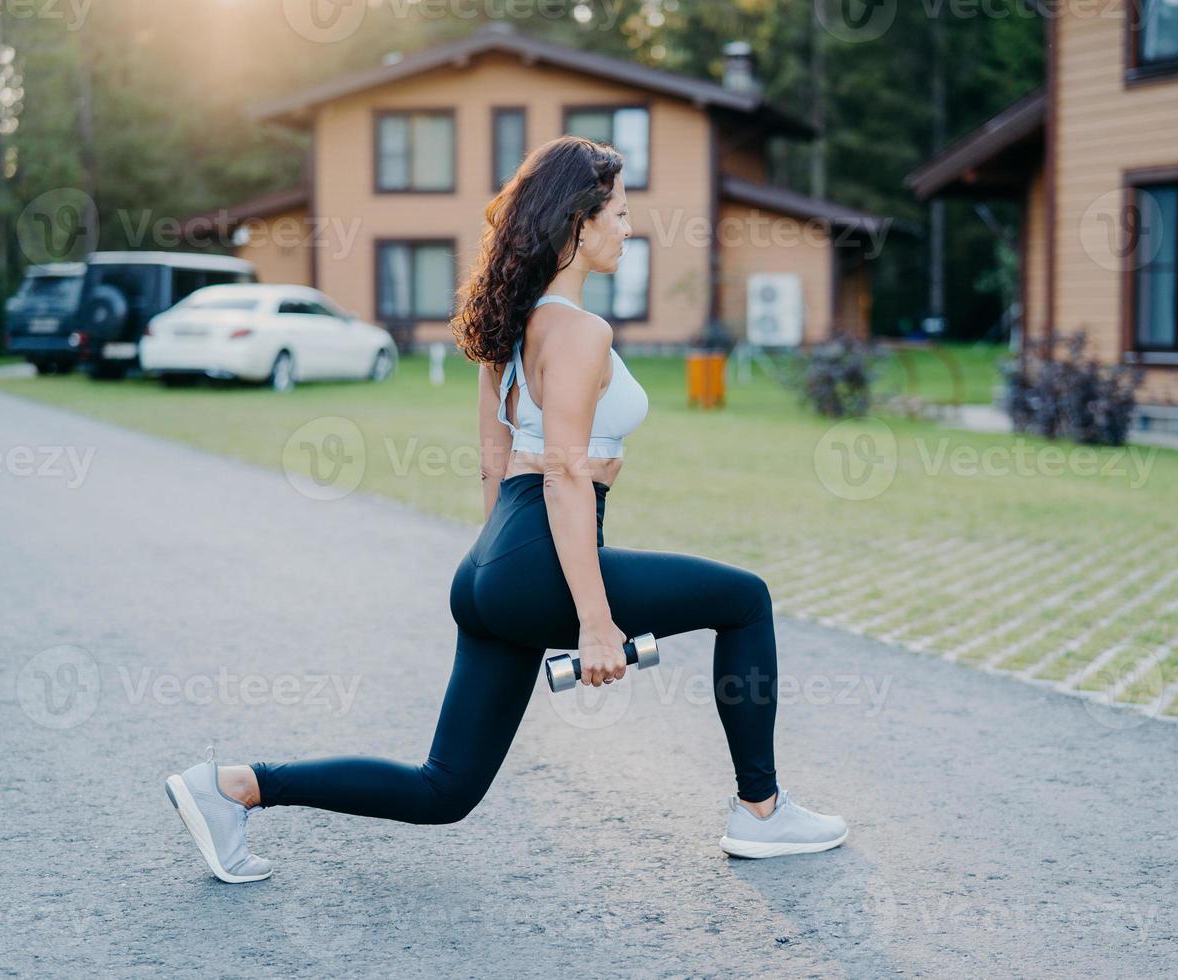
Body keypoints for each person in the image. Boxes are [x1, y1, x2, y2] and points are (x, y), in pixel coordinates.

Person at [164, 135, 848, 883]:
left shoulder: (508, 325)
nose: (628, 228)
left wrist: (506, 568)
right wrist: (593, 620)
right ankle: (762, 812)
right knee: (745, 601)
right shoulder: (581, 331)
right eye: (619, 214)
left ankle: (234, 785)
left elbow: (496, 461)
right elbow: (563, 476)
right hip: (536, 552)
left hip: (493, 560)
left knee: (444, 788)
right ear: (578, 225)